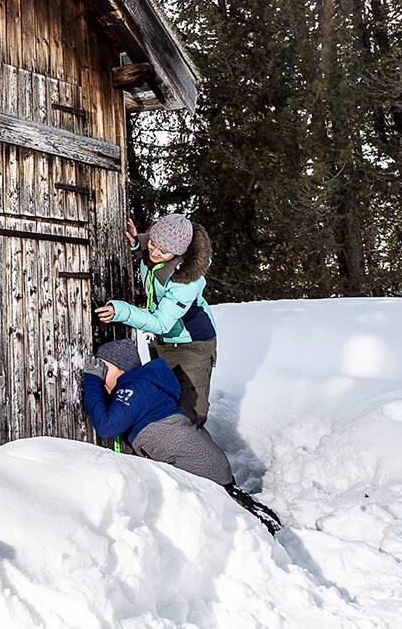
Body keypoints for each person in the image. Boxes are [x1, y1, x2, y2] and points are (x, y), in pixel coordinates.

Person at [79, 339, 281, 534]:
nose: (101, 375)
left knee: (231, 523)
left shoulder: (134, 388)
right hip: (207, 466)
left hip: (201, 472)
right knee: (233, 511)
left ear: (120, 368)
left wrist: (91, 380)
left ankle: (259, 529)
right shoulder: (142, 386)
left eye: (104, 368)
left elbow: (106, 426)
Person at [94, 213, 216, 426]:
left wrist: (122, 312)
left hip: (192, 345)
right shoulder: (151, 250)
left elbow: (161, 323)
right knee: (161, 399)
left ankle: (189, 454)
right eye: (153, 244)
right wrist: (139, 243)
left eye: (164, 251)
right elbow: (153, 245)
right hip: (162, 342)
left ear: (181, 252)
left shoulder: (187, 280)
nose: (155, 253)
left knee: (191, 410)